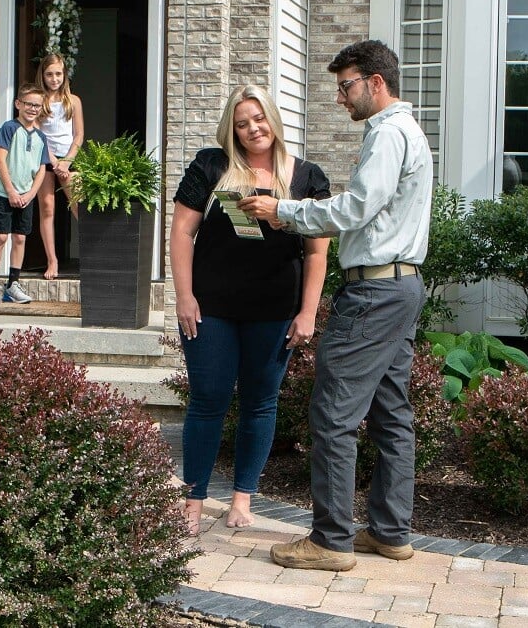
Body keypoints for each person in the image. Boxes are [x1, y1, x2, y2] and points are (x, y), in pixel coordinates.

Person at [238, 40, 433, 571]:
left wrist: (286, 211)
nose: (340, 97)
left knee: (333, 413)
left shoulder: (389, 133)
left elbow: (356, 207)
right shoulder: (407, 132)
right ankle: (390, 532)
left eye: (345, 86)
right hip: (402, 288)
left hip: (374, 293)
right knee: (392, 414)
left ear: (375, 82)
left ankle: (330, 540)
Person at [170, 84, 330, 535]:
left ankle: (242, 499)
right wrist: (184, 296)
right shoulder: (212, 165)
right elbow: (182, 232)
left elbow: (317, 252)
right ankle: (194, 500)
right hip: (211, 307)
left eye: (258, 119)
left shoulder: (307, 178)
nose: (252, 129)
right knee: (208, 400)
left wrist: (308, 313)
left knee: (260, 403)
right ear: (232, 129)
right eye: (241, 124)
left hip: (275, 309)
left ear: (274, 120)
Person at [0, 83, 48, 306]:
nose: (33, 109)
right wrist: (10, 191)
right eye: (29, 104)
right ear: (18, 104)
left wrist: (30, 194)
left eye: (37, 105)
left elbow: (41, 169)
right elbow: (0, 160)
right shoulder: (9, 128)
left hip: (25, 195)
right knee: (1, 237)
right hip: (4, 193)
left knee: (20, 238)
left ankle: (13, 285)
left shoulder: (40, 137)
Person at [34, 53, 85, 280]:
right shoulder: (38, 101)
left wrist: (67, 161)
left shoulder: (73, 101)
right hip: (45, 159)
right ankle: (52, 260)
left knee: (78, 207)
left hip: (69, 159)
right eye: (49, 74)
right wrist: (53, 161)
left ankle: (91, 256)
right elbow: (37, 135)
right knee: (47, 208)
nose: (54, 79)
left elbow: (79, 135)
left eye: (58, 74)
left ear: (64, 75)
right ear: (42, 76)